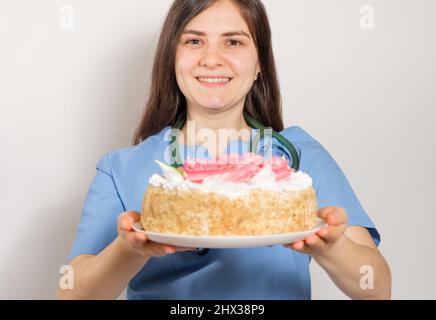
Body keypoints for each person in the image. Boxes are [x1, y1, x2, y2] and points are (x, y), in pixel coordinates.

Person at [58, 0, 391, 300]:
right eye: (194, 41)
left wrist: (331, 246)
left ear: (260, 62)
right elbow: (73, 294)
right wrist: (131, 248)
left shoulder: (299, 157)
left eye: (233, 42)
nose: (212, 59)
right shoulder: (122, 167)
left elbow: (376, 288)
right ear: (171, 58)